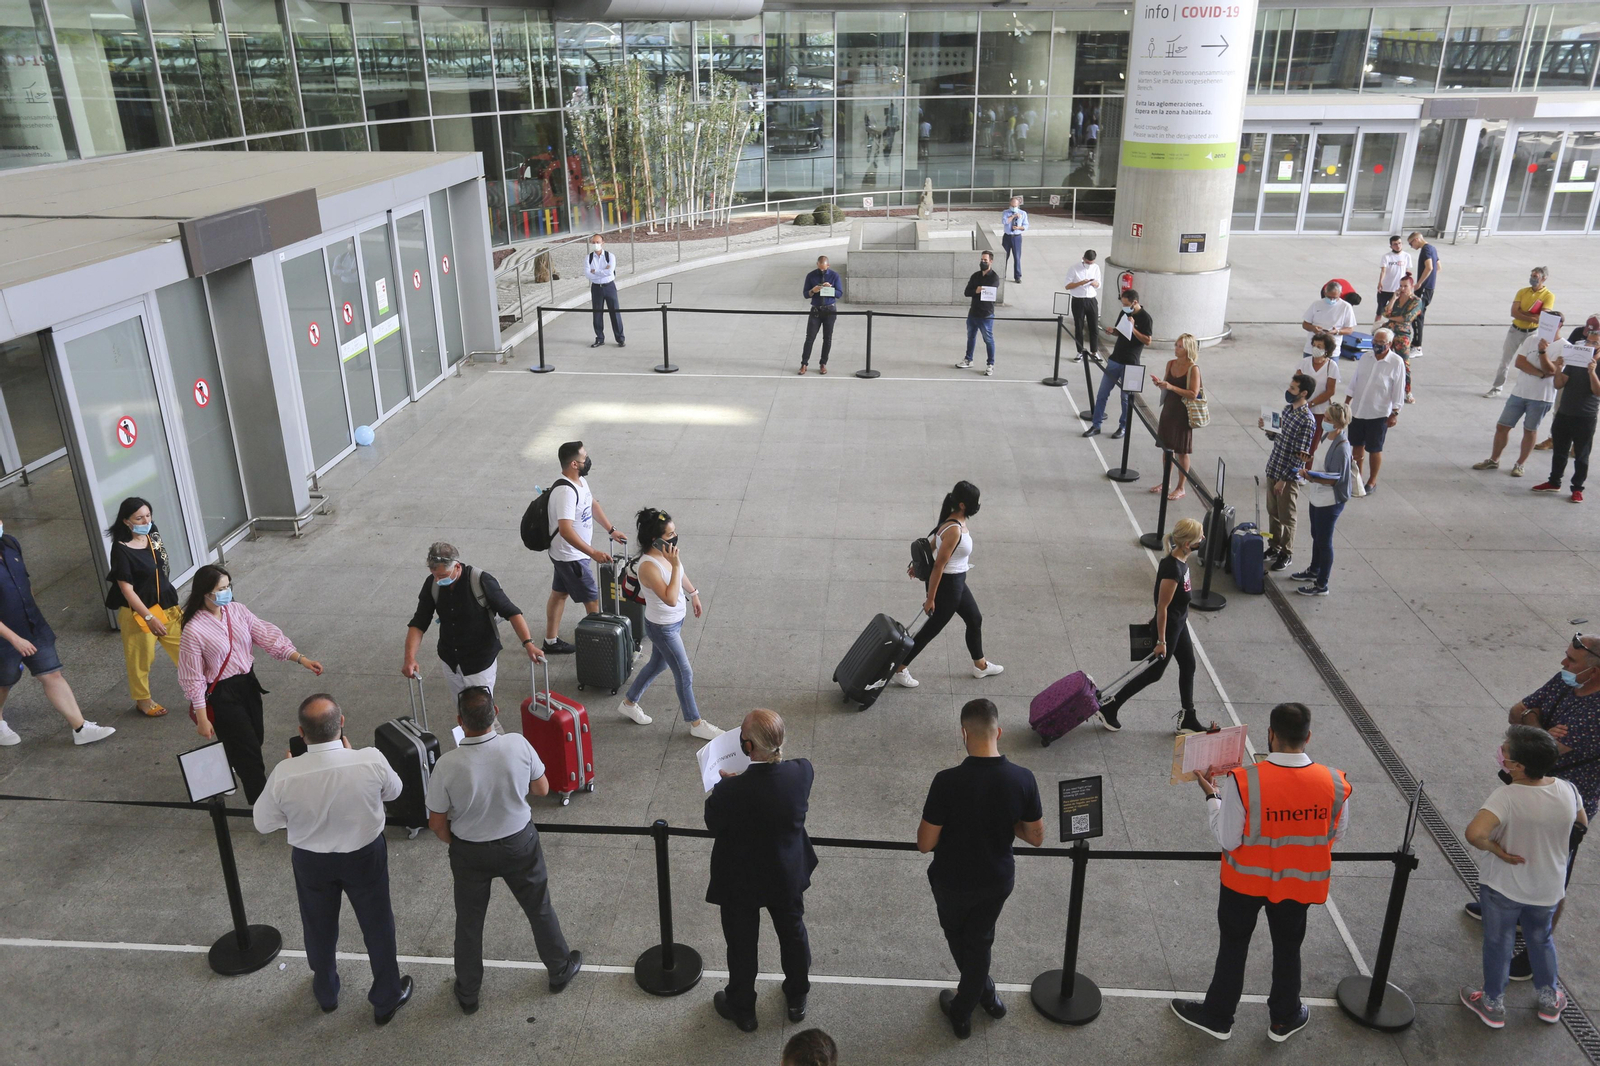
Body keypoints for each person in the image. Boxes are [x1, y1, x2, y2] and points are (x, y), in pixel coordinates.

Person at [1173, 702, 1352, 1042]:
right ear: (1308, 737)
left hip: (1244, 884)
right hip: (1297, 885)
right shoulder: (1335, 783)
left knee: (1233, 946)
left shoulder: (1244, 781)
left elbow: (1228, 838)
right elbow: (1336, 834)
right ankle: (1284, 1017)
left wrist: (1213, 798)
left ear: (1270, 735)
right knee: (1288, 947)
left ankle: (1218, 1016)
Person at [253, 694, 413, 1025]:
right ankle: (386, 997)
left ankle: (326, 991)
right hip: (364, 856)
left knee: (319, 927)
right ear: (341, 723)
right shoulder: (369, 759)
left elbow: (263, 822)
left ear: (301, 733)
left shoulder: (286, 772)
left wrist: (296, 817)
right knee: (378, 925)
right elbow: (394, 792)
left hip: (312, 861)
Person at [426, 687, 582, 1013]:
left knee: (469, 923)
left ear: (460, 721)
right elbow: (541, 788)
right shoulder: (517, 744)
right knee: (539, 908)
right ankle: (558, 968)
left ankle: (468, 992)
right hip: (519, 844)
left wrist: (457, 843)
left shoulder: (447, 764)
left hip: (470, 851)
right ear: (495, 712)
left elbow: (437, 823)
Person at [917, 698, 1043, 1039]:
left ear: (963, 733)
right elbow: (1035, 836)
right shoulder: (1023, 779)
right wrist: (1007, 820)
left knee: (963, 940)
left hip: (951, 882)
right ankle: (988, 996)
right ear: (998, 731)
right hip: (997, 880)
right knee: (979, 940)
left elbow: (926, 843)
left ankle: (962, 1010)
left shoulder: (946, 782)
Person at [1479, 634, 1600, 980]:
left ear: (1594, 672)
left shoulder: (1596, 713)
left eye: (1572, 661)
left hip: (1565, 802)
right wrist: (1540, 726)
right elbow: (1518, 712)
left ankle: (1535, 949)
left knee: (1552, 871)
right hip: (1526, 787)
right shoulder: (1568, 682)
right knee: (1513, 847)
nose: (1563, 665)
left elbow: (1540, 752)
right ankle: (1508, 907)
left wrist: (1533, 723)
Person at [1461, 725, 1587, 1028]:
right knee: (1540, 938)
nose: (1501, 752)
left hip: (1504, 886)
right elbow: (1580, 826)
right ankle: (1548, 999)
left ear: (1517, 766)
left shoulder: (1506, 796)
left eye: (1505, 750)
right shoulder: (1568, 789)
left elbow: (1474, 833)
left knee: (1499, 941)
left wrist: (1499, 851)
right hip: (1548, 886)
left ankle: (1492, 1003)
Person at [706, 709, 817, 1033]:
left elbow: (714, 822)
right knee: (793, 934)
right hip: (785, 873)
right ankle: (797, 997)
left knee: (741, 946)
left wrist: (722, 787)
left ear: (748, 747)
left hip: (741, 879)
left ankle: (743, 1009)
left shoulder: (730, 791)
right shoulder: (802, 773)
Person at [178, 565, 323, 804]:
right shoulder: (194, 630)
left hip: (248, 684)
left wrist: (301, 659)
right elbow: (192, 677)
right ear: (204, 593)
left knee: (255, 738)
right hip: (222, 693)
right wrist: (202, 718)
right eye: (219, 589)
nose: (226, 593)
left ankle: (228, 764)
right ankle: (263, 804)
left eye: (228, 587)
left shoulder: (237, 611)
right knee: (249, 753)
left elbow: (267, 637)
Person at [0, 523, 115, 747]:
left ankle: (80, 728)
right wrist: (14, 638)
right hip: (5, 638)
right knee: (3, 682)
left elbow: (25, 582)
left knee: (52, 674)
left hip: (33, 627)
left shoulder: (10, 543)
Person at [616, 508, 724, 740]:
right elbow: (669, 595)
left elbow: (681, 575)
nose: (674, 538)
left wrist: (693, 592)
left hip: (673, 622)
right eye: (669, 535)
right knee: (684, 672)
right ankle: (696, 722)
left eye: (674, 532)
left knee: (658, 664)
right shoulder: (648, 566)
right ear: (654, 540)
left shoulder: (667, 553)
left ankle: (629, 702)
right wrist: (674, 565)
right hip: (662, 628)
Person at [1099, 517, 1206, 735]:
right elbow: (1162, 606)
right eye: (1199, 537)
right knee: (1153, 674)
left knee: (1189, 665)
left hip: (1179, 623)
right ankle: (1111, 707)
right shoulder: (1172, 569)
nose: (1203, 539)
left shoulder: (1181, 563)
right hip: (1168, 629)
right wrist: (1161, 641)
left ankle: (1188, 716)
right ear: (1187, 544)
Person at [893, 481, 1002, 689]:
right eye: (974, 502)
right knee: (930, 630)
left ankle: (980, 665)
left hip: (958, 581)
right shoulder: (954, 529)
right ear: (962, 505)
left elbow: (934, 541)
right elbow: (939, 566)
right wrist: (931, 598)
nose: (977, 505)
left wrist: (921, 562)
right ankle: (900, 668)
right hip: (949, 585)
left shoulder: (952, 521)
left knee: (974, 618)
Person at [403, 542, 542, 699]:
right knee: (462, 710)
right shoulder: (432, 584)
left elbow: (512, 612)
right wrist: (410, 657)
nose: (437, 580)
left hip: (480, 661)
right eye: (434, 575)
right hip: (451, 661)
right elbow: (419, 622)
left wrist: (528, 644)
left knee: (481, 712)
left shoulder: (480, 581)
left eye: (442, 576)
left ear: (457, 567)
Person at [543, 441, 626, 654]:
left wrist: (611, 529)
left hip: (569, 555)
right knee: (592, 600)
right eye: (584, 458)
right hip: (572, 557)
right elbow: (565, 530)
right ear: (573, 464)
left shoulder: (579, 481)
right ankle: (600, 647)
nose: (587, 461)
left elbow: (592, 503)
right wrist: (593, 553)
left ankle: (550, 641)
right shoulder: (566, 493)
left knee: (559, 594)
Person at [104, 497, 181, 717]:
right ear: (126, 521)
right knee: (141, 658)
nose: (146, 520)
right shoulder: (121, 550)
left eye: (148, 515)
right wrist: (149, 618)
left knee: (187, 650)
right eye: (139, 518)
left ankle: (202, 691)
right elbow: (127, 590)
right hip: (140, 613)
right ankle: (143, 699)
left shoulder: (152, 533)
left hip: (167, 605)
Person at [1473, 318, 1561, 479]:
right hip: (1519, 392)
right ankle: (1494, 459)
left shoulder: (1564, 346)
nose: (1544, 326)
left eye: (1549, 324)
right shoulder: (1531, 339)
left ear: (1559, 325)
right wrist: (1541, 373)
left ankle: (1520, 464)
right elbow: (1520, 363)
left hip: (1542, 397)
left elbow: (1553, 369)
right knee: (1502, 426)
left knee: (1530, 429)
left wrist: (1542, 353)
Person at [1532, 321, 1598, 503]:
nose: (1589, 346)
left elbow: (1597, 391)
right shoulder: (1576, 360)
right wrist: (1559, 368)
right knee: (1559, 451)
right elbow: (1558, 384)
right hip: (1565, 413)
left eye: (1595, 343)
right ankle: (1554, 481)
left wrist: (1592, 372)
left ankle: (1577, 488)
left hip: (1585, 416)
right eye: (1588, 342)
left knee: (1582, 455)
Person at [1293, 400, 1354, 597]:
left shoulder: (1342, 448)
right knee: (1316, 535)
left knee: (1324, 541)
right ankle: (1314, 569)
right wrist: (1308, 460)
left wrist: (1310, 476)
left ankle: (1321, 584)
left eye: (1327, 419)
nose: (1323, 421)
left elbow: (1335, 479)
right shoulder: (1327, 436)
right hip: (1317, 496)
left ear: (1337, 423)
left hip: (1329, 501)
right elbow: (1320, 461)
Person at [1259, 372, 1316, 574]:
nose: (1289, 391)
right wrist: (1268, 430)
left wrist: (1283, 480)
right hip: (1273, 466)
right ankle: (1274, 547)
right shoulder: (1287, 410)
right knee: (1273, 513)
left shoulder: (1307, 420)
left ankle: (1286, 552)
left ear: (1304, 393)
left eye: (1293, 389)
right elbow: (1277, 438)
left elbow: (1300, 455)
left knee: (1287, 516)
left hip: (1287, 476)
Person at [1343, 328, 1406, 494]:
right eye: (1375, 342)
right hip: (1358, 410)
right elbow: (1355, 380)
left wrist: (1395, 412)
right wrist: (1347, 402)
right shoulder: (1366, 357)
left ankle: (1372, 481)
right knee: (1356, 445)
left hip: (1378, 413)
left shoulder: (1396, 362)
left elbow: (1398, 389)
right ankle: (1358, 477)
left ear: (1389, 344)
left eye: (1381, 343)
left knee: (1375, 448)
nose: (1377, 345)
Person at [1084, 288, 1153, 439]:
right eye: (1123, 304)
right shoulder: (1124, 312)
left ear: (1135, 302)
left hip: (1132, 363)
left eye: (1126, 304)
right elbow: (1120, 330)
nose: (1124, 306)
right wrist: (1113, 331)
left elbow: (1148, 340)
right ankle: (1096, 425)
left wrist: (1134, 328)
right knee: (1102, 394)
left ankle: (1123, 427)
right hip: (1115, 359)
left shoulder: (1145, 318)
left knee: (1126, 398)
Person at [1490, 267, 1556, 397]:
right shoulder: (1522, 291)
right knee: (1505, 360)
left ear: (1543, 278)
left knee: (1530, 361)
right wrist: (1530, 316)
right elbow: (1514, 312)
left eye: (1535, 276)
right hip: (1515, 330)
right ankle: (1497, 387)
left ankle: (1528, 390)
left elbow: (1542, 318)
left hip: (1531, 333)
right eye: (1532, 276)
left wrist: (1523, 313)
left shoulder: (1548, 296)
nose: (1532, 279)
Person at [1151, 333, 1201, 500]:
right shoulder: (1170, 364)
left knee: (1181, 451)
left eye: (1180, 346)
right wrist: (1161, 384)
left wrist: (1171, 387)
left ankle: (1181, 487)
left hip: (1183, 413)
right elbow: (1167, 387)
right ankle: (1166, 481)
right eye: (1176, 345)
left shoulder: (1193, 369)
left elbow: (1193, 394)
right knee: (1167, 449)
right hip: (1169, 410)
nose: (1176, 349)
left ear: (1188, 349)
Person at [1378, 276, 1423, 404]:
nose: (1402, 289)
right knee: (1382, 358)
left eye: (1405, 286)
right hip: (1388, 332)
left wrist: (1392, 317)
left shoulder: (1416, 301)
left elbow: (1407, 318)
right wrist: (1393, 298)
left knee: (1404, 363)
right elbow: (1385, 312)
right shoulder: (1397, 299)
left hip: (1402, 334)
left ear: (1411, 286)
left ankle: (1407, 391)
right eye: (1401, 286)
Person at [956, 251, 1000, 375]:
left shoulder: (994, 278)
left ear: (991, 261)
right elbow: (967, 292)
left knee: (988, 339)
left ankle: (990, 364)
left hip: (986, 314)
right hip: (973, 312)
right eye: (981, 260)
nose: (983, 262)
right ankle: (968, 359)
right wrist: (977, 289)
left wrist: (979, 290)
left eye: (985, 260)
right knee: (971, 337)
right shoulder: (975, 276)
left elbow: (989, 293)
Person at [798, 255, 842, 375]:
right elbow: (806, 294)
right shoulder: (811, 276)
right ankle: (804, 364)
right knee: (810, 338)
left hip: (830, 310)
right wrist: (813, 290)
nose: (822, 270)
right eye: (820, 268)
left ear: (828, 265)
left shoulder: (834, 276)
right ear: (817, 264)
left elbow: (839, 294)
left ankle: (823, 363)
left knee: (827, 338)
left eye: (824, 268)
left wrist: (830, 288)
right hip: (816, 310)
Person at [1301, 333, 1342, 451]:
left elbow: (1330, 391)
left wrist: (1311, 403)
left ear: (1327, 349)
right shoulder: (1305, 362)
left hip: (1319, 411)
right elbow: (1296, 384)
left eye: (1319, 346)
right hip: (1302, 409)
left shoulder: (1331, 366)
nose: (1315, 348)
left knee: (1311, 446)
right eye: (1314, 345)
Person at [584, 234, 624, 348]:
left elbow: (610, 271)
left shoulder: (610, 256)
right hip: (596, 287)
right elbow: (588, 274)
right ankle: (599, 338)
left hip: (609, 286)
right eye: (594, 242)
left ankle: (620, 338)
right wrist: (601, 271)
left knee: (615, 312)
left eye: (598, 242)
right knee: (597, 313)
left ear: (603, 242)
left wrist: (595, 271)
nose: (596, 244)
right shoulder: (589, 258)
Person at [1300, 281, 1356, 360]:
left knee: (1330, 371)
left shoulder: (1346, 307)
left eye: (1334, 297)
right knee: (1307, 370)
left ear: (1340, 294)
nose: (1331, 299)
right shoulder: (1316, 304)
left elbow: (1350, 330)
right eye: (1329, 297)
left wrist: (1337, 332)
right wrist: (1313, 328)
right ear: (1325, 293)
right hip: (1312, 349)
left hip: (1332, 350)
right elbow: (1305, 324)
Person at [1063, 249, 1102, 359]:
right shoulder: (1074, 268)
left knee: (1093, 327)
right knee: (1079, 326)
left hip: (1091, 299)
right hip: (1078, 300)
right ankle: (1080, 351)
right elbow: (1067, 286)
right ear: (1083, 259)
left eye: (1092, 262)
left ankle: (1094, 352)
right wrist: (1081, 283)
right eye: (1088, 262)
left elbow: (1099, 284)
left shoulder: (1096, 268)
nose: (1090, 265)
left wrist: (1095, 283)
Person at [1407, 231, 1439, 358]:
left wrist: (1420, 283)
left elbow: (1430, 267)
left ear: (1416, 240)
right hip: (1429, 288)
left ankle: (1417, 346)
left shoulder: (1425, 250)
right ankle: (1416, 344)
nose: (1411, 247)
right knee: (1418, 314)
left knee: (1417, 315)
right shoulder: (1432, 248)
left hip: (1424, 288)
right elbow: (1438, 266)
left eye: (1411, 244)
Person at [1374, 234, 1411, 315]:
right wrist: (1380, 282)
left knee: (1396, 311)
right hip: (1386, 288)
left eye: (1399, 243)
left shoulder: (1407, 256)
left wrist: (1407, 285)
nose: (1398, 246)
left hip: (1398, 289)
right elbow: (1383, 271)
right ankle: (1376, 326)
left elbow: (1407, 272)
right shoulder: (1387, 257)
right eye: (1395, 244)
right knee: (1380, 311)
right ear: (1391, 246)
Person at [999, 196, 1028, 282]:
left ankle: (1017, 276)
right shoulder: (1006, 212)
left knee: (1017, 257)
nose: (1013, 207)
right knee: (1005, 256)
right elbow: (1004, 221)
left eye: (1015, 206)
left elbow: (1026, 226)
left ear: (1018, 205)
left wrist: (1019, 227)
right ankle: (1002, 274)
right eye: (1012, 205)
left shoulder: (1023, 213)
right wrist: (1013, 216)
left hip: (1017, 237)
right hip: (1007, 236)